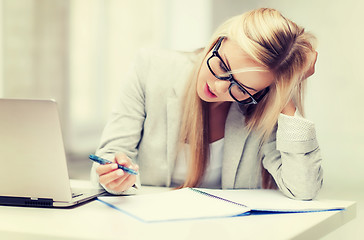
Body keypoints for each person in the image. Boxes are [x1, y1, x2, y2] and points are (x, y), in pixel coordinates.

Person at [90, 8, 322, 200]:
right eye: (223, 66)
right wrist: (115, 178)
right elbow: (108, 157)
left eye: (241, 89)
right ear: (219, 41)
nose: (220, 88)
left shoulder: (262, 103)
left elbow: (303, 189)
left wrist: (285, 91)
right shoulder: (150, 70)